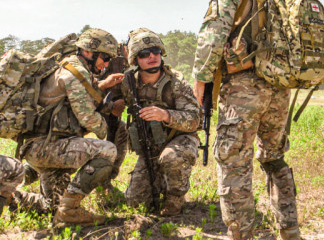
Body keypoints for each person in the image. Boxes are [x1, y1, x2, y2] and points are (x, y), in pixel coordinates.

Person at [193, 0, 301, 240]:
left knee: (234, 165)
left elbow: (210, 44)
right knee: (273, 159)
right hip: (281, 90)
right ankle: (290, 236)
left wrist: (201, 90)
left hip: (243, 88)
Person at [18, 28, 125, 225]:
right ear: (89, 52)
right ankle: (70, 211)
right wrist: (109, 120)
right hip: (48, 148)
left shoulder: (68, 67)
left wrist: (102, 87)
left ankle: (11, 197)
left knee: (50, 206)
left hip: (45, 146)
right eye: (105, 58)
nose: (107, 64)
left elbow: (78, 97)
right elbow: (89, 119)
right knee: (107, 150)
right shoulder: (75, 74)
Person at [119, 28, 200, 216]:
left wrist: (165, 115)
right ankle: (161, 181)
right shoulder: (129, 83)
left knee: (171, 158)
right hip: (150, 145)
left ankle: (175, 197)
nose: (152, 57)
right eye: (144, 54)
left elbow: (194, 120)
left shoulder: (175, 82)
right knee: (135, 201)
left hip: (180, 139)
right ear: (135, 59)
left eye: (156, 52)